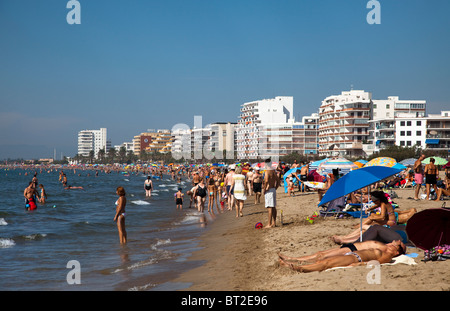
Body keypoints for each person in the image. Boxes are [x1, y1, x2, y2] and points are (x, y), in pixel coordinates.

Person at [279, 240, 405, 273]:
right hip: (353, 254)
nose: (392, 244)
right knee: (324, 259)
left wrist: (360, 264)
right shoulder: (386, 249)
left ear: (397, 252)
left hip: (356, 258)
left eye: (395, 245)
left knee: (327, 263)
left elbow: (377, 263)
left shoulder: (388, 257)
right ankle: (296, 264)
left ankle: (299, 268)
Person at [263, 158, 280, 228]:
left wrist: (264, 188)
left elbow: (266, 180)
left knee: (269, 207)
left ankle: (269, 224)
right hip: (273, 189)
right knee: (273, 207)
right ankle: (274, 222)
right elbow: (278, 181)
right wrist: (275, 187)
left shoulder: (267, 171)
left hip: (269, 189)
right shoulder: (273, 171)